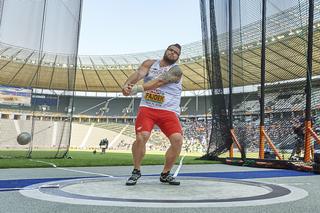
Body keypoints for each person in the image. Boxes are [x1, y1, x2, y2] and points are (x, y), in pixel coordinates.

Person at [122, 43, 183, 186]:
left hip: (168, 110)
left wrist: (137, 88)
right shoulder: (150, 64)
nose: (173, 53)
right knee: (141, 137)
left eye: (176, 53)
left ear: (178, 57)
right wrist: (126, 86)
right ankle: (136, 171)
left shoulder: (176, 70)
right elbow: (138, 74)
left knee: (177, 140)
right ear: (166, 50)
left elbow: (159, 82)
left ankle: (165, 174)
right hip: (148, 108)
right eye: (171, 50)